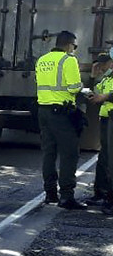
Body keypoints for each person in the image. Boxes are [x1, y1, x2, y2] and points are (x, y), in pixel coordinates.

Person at [35, 30, 87, 210]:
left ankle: (50, 194)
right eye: (75, 46)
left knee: (49, 153)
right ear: (68, 44)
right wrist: (83, 88)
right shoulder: (68, 60)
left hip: (43, 110)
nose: (75, 49)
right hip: (61, 113)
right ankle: (67, 196)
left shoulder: (42, 60)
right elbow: (73, 88)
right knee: (69, 153)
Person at [85, 54, 113, 206]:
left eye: (104, 64)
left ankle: (109, 196)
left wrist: (105, 97)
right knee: (103, 158)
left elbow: (103, 96)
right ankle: (101, 192)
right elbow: (96, 92)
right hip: (106, 121)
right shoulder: (106, 79)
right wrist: (93, 76)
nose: (102, 68)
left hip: (111, 119)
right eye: (100, 65)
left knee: (110, 159)